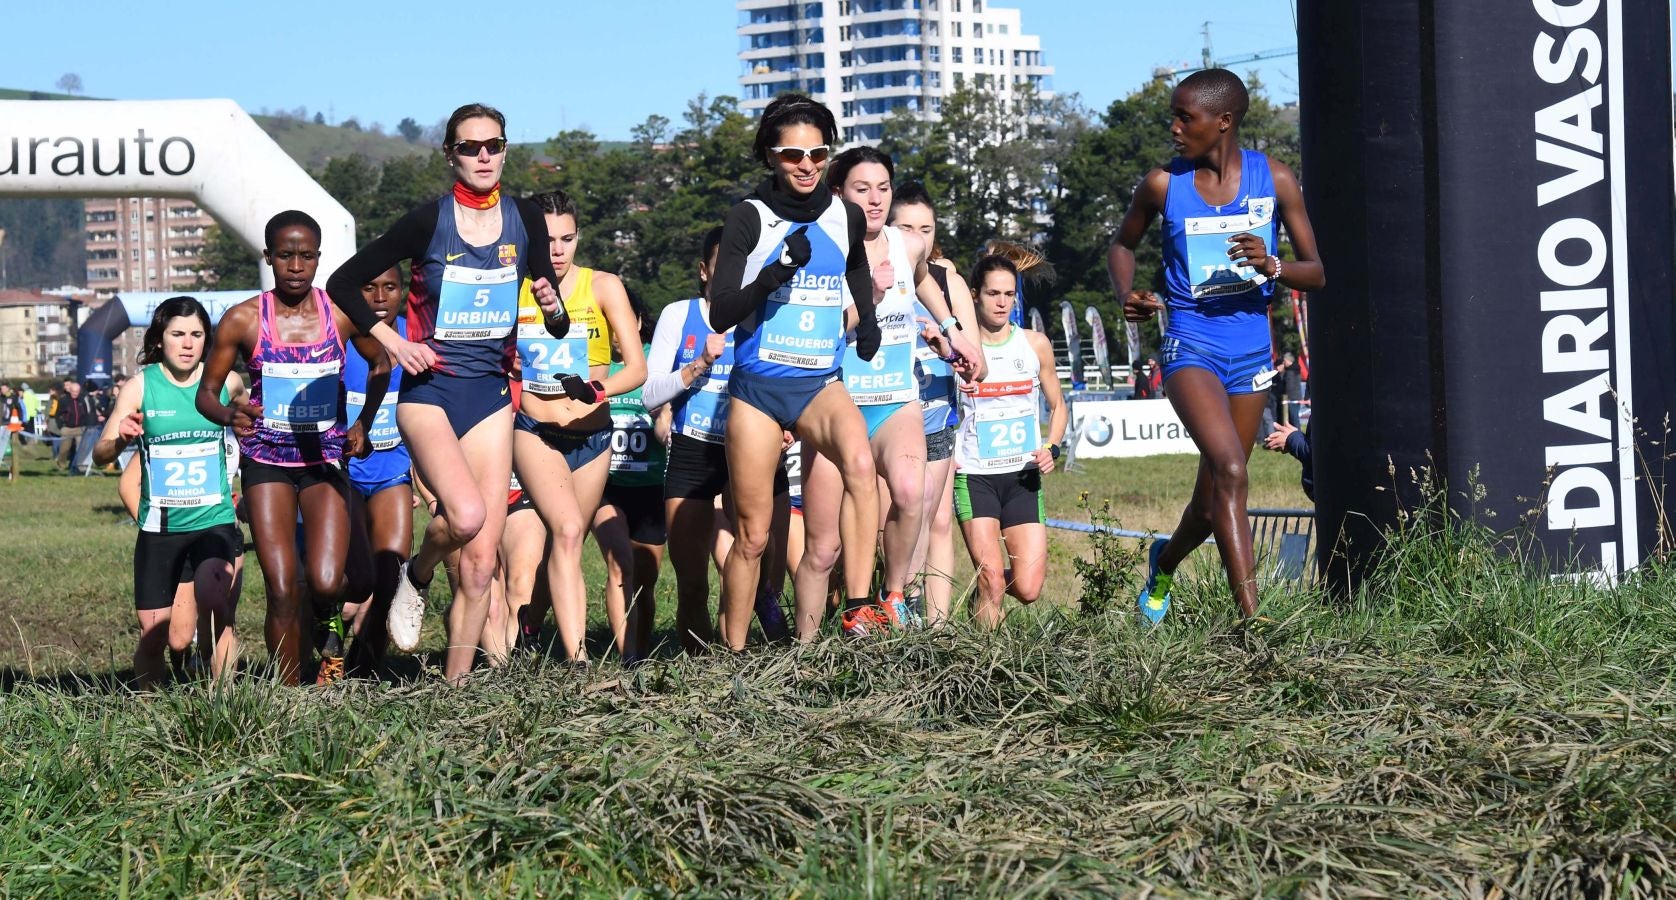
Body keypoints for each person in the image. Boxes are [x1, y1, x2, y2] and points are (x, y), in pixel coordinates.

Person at [324, 102, 569, 685]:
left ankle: (456, 689)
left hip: (490, 394)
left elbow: (555, 319)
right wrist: (393, 341)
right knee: (466, 516)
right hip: (430, 392)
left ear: (505, 150)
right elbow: (341, 282)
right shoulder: (427, 222)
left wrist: (552, 306)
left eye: (493, 145)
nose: (483, 156)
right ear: (450, 154)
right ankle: (418, 571)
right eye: (469, 147)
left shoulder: (525, 218)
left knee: (482, 562)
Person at [1107, 69, 1325, 622]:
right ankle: (1253, 621)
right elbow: (1122, 245)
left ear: (1223, 121)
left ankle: (1164, 564)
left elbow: (1317, 273)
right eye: (1173, 118)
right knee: (1230, 468)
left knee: (1210, 503)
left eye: (1186, 118)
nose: (1174, 128)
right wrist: (1127, 294)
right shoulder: (1163, 185)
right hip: (1190, 345)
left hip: (1251, 355)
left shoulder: (1275, 179)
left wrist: (1272, 264)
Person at [707, 94, 887, 648]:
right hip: (758, 390)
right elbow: (720, 312)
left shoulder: (845, 214)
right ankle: (734, 653)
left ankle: (857, 605)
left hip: (818, 384)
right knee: (754, 537)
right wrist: (774, 273)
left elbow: (856, 264)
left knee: (861, 465)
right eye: (792, 155)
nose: (807, 165)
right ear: (770, 155)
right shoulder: (749, 216)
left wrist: (868, 319)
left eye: (818, 153)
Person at [199, 210, 391, 686]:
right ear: (269, 257)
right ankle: (290, 694)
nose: (297, 266)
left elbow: (382, 363)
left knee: (327, 582)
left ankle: (328, 620)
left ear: (319, 258)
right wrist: (229, 415)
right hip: (266, 461)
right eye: (286, 256)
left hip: (324, 462)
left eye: (307, 256)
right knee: (283, 588)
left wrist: (364, 423)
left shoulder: (340, 313)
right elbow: (206, 394)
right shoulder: (244, 319)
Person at [797, 148, 978, 634]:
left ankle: (893, 596)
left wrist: (953, 330)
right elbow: (820, 335)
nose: (875, 200)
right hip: (836, 406)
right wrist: (869, 299)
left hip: (896, 399)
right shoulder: (822, 251)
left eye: (883, 188)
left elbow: (922, 281)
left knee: (911, 492)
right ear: (839, 193)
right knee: (823, 548)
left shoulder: (907, 244)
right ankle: (804, 652)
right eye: (862, 189)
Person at [508, 188, 646, 665]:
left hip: (594, 437)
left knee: (566, 542)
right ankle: (579, 661)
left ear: (578, 238)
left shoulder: (603, 286)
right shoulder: (515, 289)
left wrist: (598, 390)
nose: (557, 250)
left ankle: (530, 622)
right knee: (567, 532)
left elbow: (637, 368)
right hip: (537, 432)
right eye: (547, 240)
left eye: (566, 239)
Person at [643, 227, 793, 651]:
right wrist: (699, 363)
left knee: (758, 563)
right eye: (723, 265)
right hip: (694, 449)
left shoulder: (766, 315)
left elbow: (791, 379)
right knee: (692, 583)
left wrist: (789, 424)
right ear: (704, 271)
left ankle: (739, 651)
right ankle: (700, 671)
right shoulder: (679, 315)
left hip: (752, 447)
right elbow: (649, 394)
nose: (733, 275)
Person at [93, 297, 246, 688]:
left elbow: (254, 425)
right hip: (160, 531)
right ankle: (149, 711)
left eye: (197, 334)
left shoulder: (227, 382)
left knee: (216, 606)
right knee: (156, 636)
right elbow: (100, 453)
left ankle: (226, 705)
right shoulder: (140, 387)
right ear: (160, 339)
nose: (188, 343)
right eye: (178, 334)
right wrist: (120, 437)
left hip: (214, 522)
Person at [888, 182, 984, 625]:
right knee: (894, 516)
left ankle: (937, 625)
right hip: (887, 411)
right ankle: (892, 604)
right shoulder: (875, 273)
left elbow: (977, 365)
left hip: (937, 412)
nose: (917, 238)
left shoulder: (948, 281)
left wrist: (949, 348)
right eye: (907, 228)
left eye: (926, 229)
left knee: (937, 518)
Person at [954, 256, 1068, 627]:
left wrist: (1052, 447)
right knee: (991, 577)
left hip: (1023, 477)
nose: (1002, 302)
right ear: (975, 295)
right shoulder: (956, 349)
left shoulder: (1034, 344)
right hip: (975, 476)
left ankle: (984, 593)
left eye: (1009, 294)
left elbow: (1058, 405)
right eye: (993, 294)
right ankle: (985, 657)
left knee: (1029, 587)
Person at [339, 265, 413, 675]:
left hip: (392, 472)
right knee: (345, 581)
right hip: (343, 475)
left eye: (390, 287)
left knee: (392, 577)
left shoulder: (415, 338)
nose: (380, 297)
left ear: (403, 291)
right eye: (369, 287)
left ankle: (364, 671)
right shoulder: (339, 337)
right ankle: (329, 645)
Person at [591, 291, 666, 663]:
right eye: (607, 325)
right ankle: (628, 657)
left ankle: (642, 651)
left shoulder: (657, 359)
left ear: (636, 321)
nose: (616, 332)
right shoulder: (595, 365)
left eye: (622, 322)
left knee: (646, 582)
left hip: (651, 488)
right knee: (620, 564)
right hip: (605, 487)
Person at [53, 378, 95, 472]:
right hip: (67, 429)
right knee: (64, 449)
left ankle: (81, 466)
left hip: (80, 428)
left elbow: (88, 412)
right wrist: (61, 426)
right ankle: (61, 465)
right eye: (73, 391)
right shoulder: (63, 400)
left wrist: (86, 424)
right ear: (70, 390)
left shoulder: (83, 399)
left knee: (81, 448)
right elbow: (57, 414)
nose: (75, 393)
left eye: (77, 392)